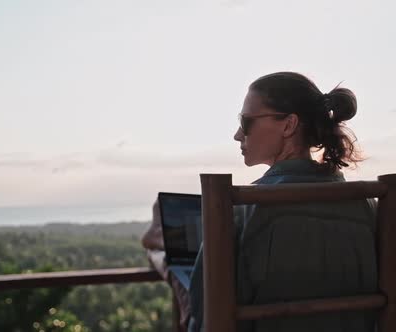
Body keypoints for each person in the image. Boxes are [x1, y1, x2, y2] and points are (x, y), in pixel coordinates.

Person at [143, 72, 377, 332]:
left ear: (288, 125)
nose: (237, 134)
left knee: (164, 250)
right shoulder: (368, 207)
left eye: (245, 122)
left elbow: (205, 322)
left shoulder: (242, 209)